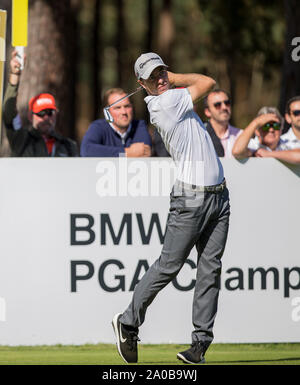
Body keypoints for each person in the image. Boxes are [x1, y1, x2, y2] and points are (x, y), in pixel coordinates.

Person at [112, 53, 230, 364]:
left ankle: (200, 344)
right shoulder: (164, 104)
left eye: (162, 71)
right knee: (169, 266)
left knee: (210, 270)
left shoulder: (174, 100)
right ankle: (127, 321)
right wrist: (175, 78)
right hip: (191, 199)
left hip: (219, 196)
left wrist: (167, 78)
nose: (161, 78)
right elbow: (208, 82)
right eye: (153, 77)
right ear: (142, 85)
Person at [3, 50, 78, 157]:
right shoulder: (21, 139)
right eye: (41, 113)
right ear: (30, 116)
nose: (46, 118)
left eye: (50, 113)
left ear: (56, 114)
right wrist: (15, 75)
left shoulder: (68, 146)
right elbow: (8, 113)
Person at [80, 88, 152, 157]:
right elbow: (86, 150)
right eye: (117, 108)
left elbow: (144, 152)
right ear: (107, 112)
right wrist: (126, 153)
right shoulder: (98, 126)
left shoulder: (139, 126)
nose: (123, 112)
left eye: (127, 106)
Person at [232, 106, 300, 164]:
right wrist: (256, 122)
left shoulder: (286, 143)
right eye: (266, 126)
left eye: (276, 126)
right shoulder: (253, 146)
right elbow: (237, 151)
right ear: (257, 131)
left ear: (281, 129)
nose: (271, 130)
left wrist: (269, 154)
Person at [203, 89, 241, 158]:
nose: (224, 107)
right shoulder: (200, 136)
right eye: (217, 105)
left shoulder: (240, 134)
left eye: (227, 103)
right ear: (207, 112)